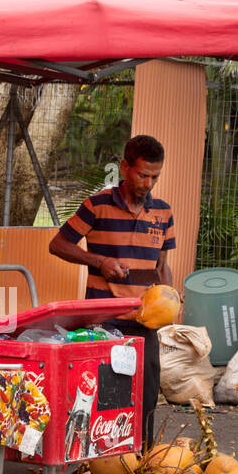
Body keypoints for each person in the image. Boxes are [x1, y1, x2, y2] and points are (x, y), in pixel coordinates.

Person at [48, 134, 175, 449]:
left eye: (154, 177)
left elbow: (162, 266)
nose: (148, 183)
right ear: (125, 167)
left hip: (145, 323)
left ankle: (140, 459)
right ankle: (97, 460)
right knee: (107, 395)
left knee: (146, 396)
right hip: (103, 321)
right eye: (142, 174)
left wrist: (170, 295)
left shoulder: (163, 213)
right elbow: (58, 244)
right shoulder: (98, 204)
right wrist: (99, 261)